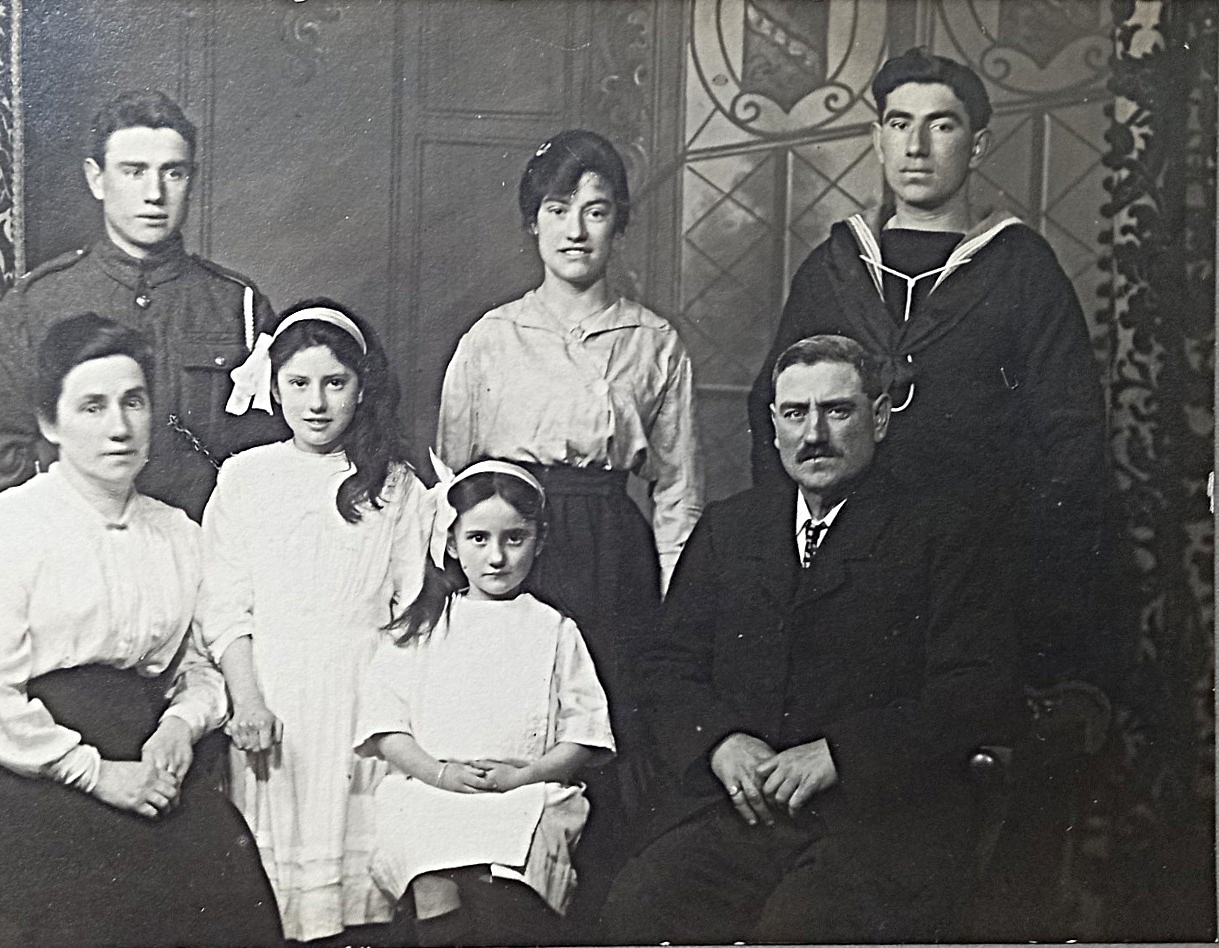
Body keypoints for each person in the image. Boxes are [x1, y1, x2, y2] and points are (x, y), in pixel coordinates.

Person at [0, 314, 282, 947]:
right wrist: (95, 774)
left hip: (143, 755)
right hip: (16, 769)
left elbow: (198, 665)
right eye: (92, 407)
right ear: (50, 423)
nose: (119, 427)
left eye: (133, 402)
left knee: (225, 882)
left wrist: (179, 726)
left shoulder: (179, 534)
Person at [605, 335, 1020, 943]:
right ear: (774, 426)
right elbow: (668, 667)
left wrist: (841, 754)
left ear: (880, 417)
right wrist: (720, 742)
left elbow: (978, 690)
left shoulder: (945, 531)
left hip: (878, 820)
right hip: (745, 813)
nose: (814, 435)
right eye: (796, 414)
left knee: (800, 931)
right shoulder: (731, 528)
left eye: (837, 411)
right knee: (637, 909)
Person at [745, 48, 1105, 687]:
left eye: (941, 125)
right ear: (877, 139)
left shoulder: (1023, 270)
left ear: (978, 145)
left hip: (977, 574)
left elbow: (1070, 438)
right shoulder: (833, 269)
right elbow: (771, 414)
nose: (916, 146)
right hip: (849, 573)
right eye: (898, 123)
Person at [435, 128, 702, 924]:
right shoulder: (490, 339)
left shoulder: (653, 342)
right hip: (515, 552)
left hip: (612, 554)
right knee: (514, 718)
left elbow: (677, 489)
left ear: (619, 223)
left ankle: (600, 918)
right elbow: (452, 480)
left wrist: (676, 600)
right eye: (558, 210)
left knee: (608, 729)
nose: (576, 230)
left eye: (596, 210)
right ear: (533, 223)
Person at [198, 299, 429, 942]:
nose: (317, 402)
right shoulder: (246, 477)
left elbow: (412, 611)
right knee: (274, 899)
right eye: (298, 383)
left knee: (361, 905)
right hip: (273, 699)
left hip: (362, 699)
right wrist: (248, 700)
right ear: (274, 388)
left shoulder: (396, 486)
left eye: (335, 383)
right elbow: (224, 605)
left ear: (362, 388)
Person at [0, 88, 277, 521]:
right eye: (134, 171)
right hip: (76, 548)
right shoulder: (40, 302)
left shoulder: (237, 305)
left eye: (173, 172)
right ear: (96, 179)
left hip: (201, 547)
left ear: (192, 180)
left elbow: (271, 459)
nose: (154, 193)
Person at [356, 459, 615, 947]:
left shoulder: (554, 629)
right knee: (428, 859)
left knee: (508, 884)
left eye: (514, 539)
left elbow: (584, 734)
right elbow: (386, 726)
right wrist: (439, 774)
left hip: (524, 790)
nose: (496, 557)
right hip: (433, 788)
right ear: (452, 543)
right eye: (478, 538)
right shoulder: (424, 626)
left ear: (539, 540)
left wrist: (523, 777)